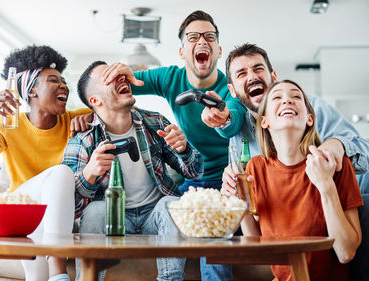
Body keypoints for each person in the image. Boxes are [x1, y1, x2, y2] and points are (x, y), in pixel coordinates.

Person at [98, 11, 246, 280]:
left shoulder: (229, 88)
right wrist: (90, 109)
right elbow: (124, 86)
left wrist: (222, 118)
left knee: (212, 235)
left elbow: (234, 121)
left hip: (227, 184)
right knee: (166, 209)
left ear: (218, 49)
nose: (202, 41)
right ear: (182, 50)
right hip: (192, 181)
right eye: (193, 37)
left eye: (209, 37)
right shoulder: (171, 78)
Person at [221, 43, 369, 281]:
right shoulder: (255, 167)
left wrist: (326, 182)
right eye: (278, 98)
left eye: (296, 97)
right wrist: (239, 205)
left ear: (311, 118)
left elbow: (345, 253)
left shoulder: (336, 166)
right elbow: (256, 247)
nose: (287, 101)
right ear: (264, 121)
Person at [62, 61, 203, 281]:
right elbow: (70, 208)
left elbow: (195, 172)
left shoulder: (154, 121)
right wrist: (89, 175)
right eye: (108, 77)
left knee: (171, 204)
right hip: (114, 220)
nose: (120, 78)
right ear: (95, 100)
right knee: (95, 211)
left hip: (154, 216)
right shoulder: (81, 141)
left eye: (120, 74)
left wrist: (184, 149)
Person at [0, 45, 91, 281]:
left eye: (64, 81)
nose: (64, 85)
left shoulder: (74, 120)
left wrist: (97, 115)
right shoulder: (7, 124)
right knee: (61, 173)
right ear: (32, 90)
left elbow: (122, 112)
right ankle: (59, 272)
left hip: (55, 218)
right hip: (24, 212)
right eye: (53, 80)